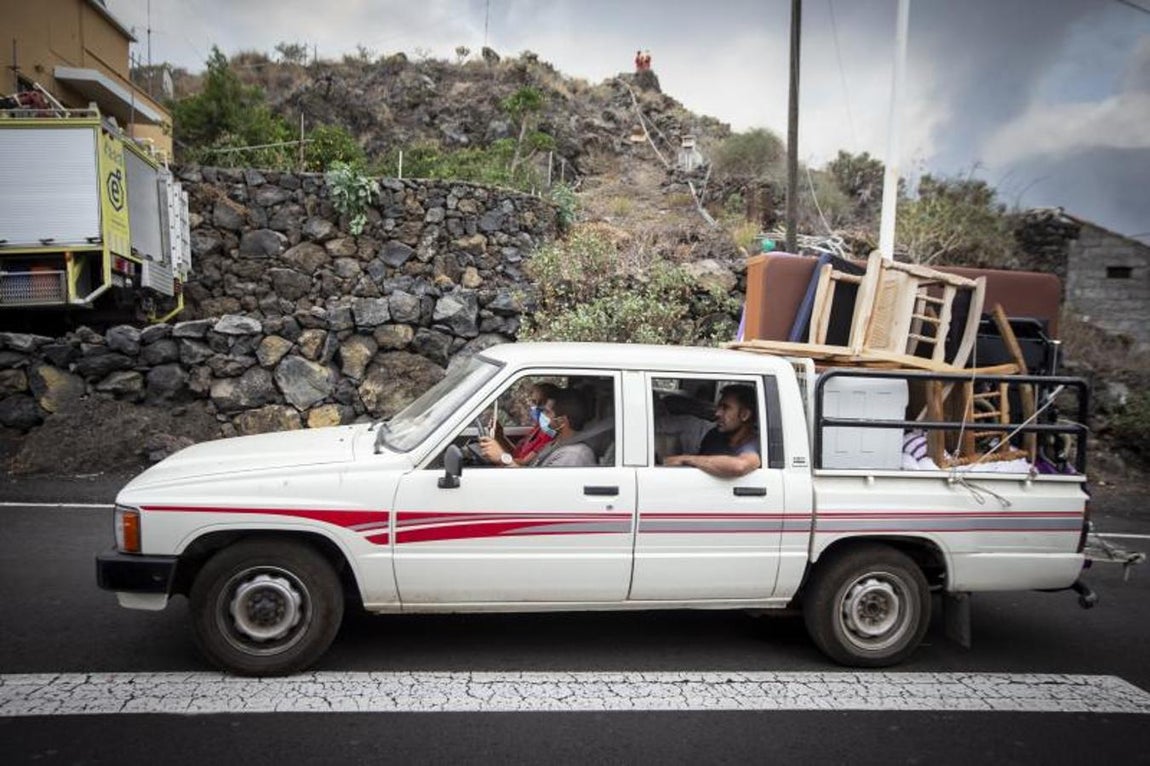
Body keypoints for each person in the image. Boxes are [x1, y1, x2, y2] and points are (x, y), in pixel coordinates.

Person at [480, 388, 596, 468]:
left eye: (547, 412)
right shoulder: (556, 442)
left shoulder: (573, 455)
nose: (542, 415)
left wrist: (503, 458)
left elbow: (539, 487)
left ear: (562, 421)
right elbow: (529, 469)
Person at [664, 385, 761, 477]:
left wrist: (684, 459)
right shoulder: (714, 435)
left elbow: (739, 466)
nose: (717, 413)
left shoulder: (755, 444)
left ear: (745, 415)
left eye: (725, 408)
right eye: (719, 407)